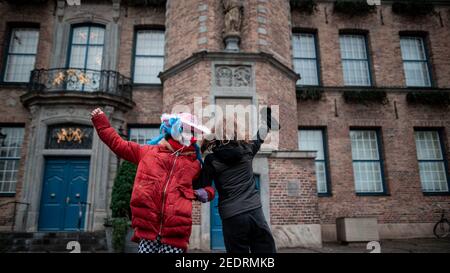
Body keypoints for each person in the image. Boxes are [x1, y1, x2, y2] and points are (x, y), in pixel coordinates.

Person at [91, 108, 214, 253]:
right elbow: (119, 144)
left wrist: (202, 193)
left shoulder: (194, 163)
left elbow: (204, 188)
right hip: (148, 228)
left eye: (192, 132)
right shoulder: (148, 152)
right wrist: (102, 123)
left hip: (176, 232)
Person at [196, 107, 278, 253]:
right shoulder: (247, 149)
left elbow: (201, 187)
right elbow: (259, 137)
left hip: (232, 217)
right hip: (254, 213)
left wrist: (195, 159)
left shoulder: (211, 160)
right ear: (236, 131)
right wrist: (267, 121)